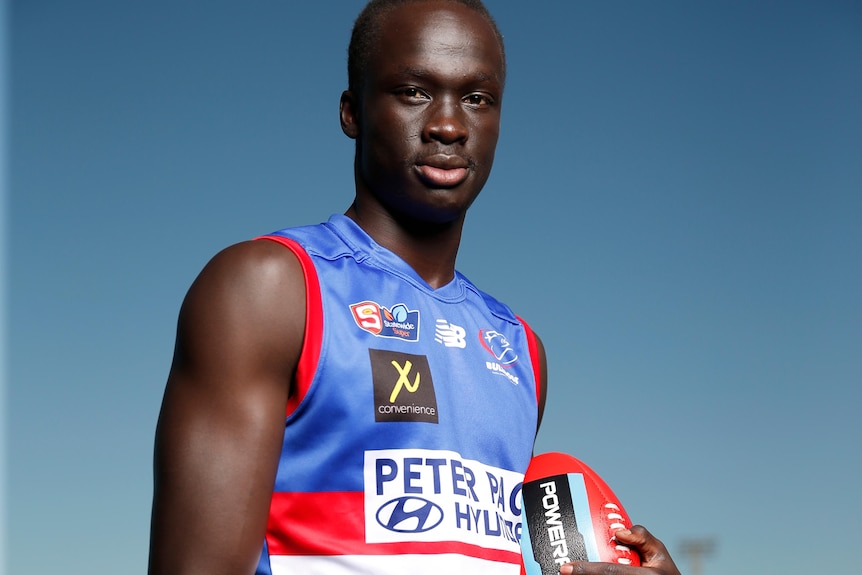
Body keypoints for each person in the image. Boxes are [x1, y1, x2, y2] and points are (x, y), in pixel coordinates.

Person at [148, 1, 682, 574]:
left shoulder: (520, 349)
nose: (448, 125)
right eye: (414, 92)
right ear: (353, 112)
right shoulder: (270, 288)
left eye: (477, 98)